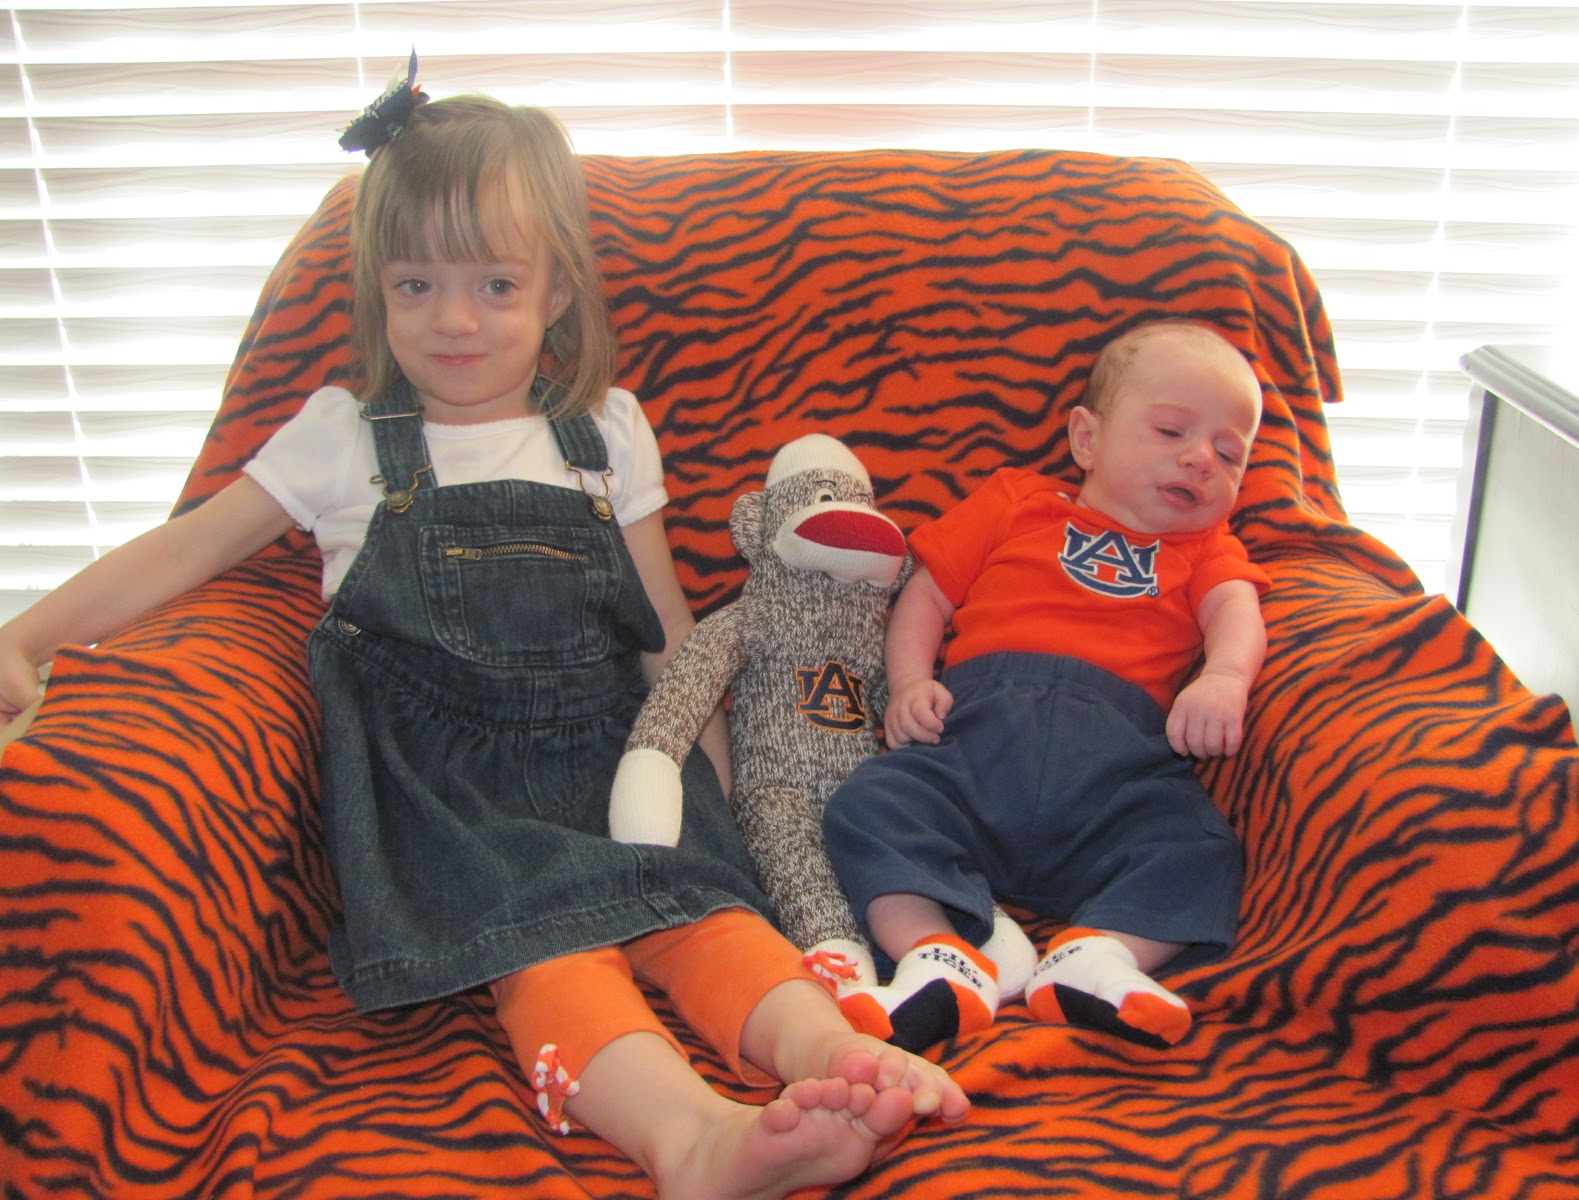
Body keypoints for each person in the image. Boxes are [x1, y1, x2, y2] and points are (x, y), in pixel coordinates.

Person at [0, 79, 967, 1200]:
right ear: (376, 287)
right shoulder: (342, 437)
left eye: (494, 285)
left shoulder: (606, 430)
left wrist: (723, 793)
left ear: (555, 290)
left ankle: (835, 1056)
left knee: (709, 913)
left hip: (610, 754)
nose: (453, 321)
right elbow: (183, 550)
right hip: (445, 792)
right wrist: (24, 636)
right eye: (415, 285)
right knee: (547, 955)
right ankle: (691, 1140)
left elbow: (663, 629)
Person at [821, 319, 1269, 1054]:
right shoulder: (1015, 502)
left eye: (1229, 453)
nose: (1200, 458)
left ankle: (1098, 955)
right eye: (1171, 431)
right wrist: (908, 683)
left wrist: (1223, 678)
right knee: (869, 804)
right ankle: (938, 955)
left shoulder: (1207, 550)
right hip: (975, 743)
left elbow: (1237, 615)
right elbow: (927, 596)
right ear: (1087, 438)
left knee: (1201, 847)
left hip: (1119, 772)